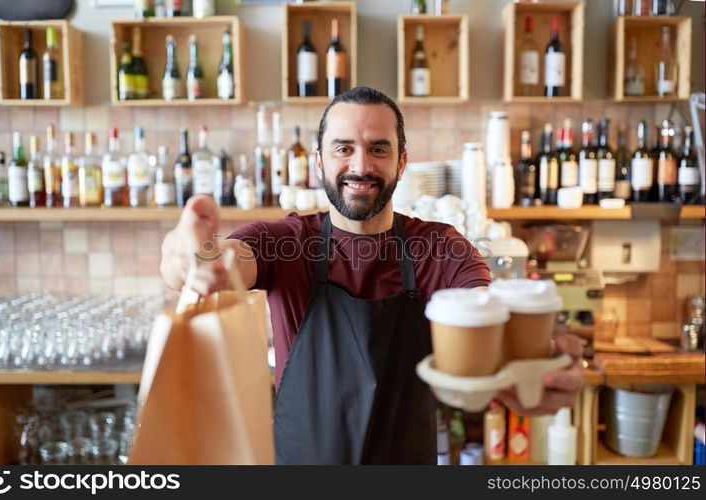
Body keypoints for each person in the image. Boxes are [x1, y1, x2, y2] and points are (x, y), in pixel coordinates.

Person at [160, 86, 584, 464]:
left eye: (378, 149)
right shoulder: (287, 241)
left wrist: (529, 369)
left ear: (401, 163)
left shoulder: (440, 247)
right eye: (343, 148)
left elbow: (486, 310)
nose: (360, 165)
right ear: (319, 163)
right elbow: (213, 261)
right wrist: (191, 257)